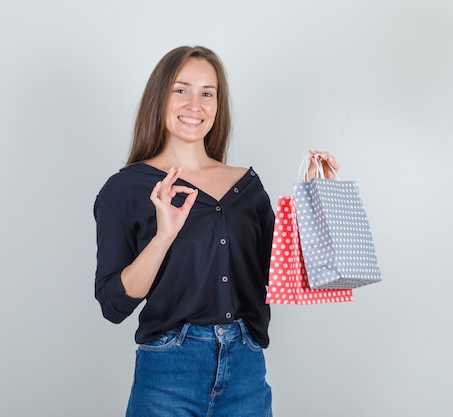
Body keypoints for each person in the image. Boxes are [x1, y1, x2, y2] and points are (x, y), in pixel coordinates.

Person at [94, 45, 339, 417]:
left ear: (218, 105)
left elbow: (285, 275)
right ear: (159, 98)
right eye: (181, 89)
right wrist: (164, 236)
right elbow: (114, 304)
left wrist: (313, 197)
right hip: (168, 373)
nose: (195, 104)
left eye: (207, 93)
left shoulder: (247, 187)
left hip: (246, 373)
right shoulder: (124, 189)